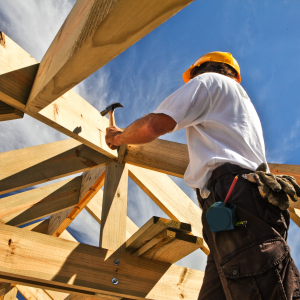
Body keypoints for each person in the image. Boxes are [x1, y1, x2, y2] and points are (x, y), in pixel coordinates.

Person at [105, 51, 300, 299]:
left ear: (201, 70)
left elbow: (153, 125)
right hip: (239, 207)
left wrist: (118, 137)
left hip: (235, 200)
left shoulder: (209, 82)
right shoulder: (240, 105)